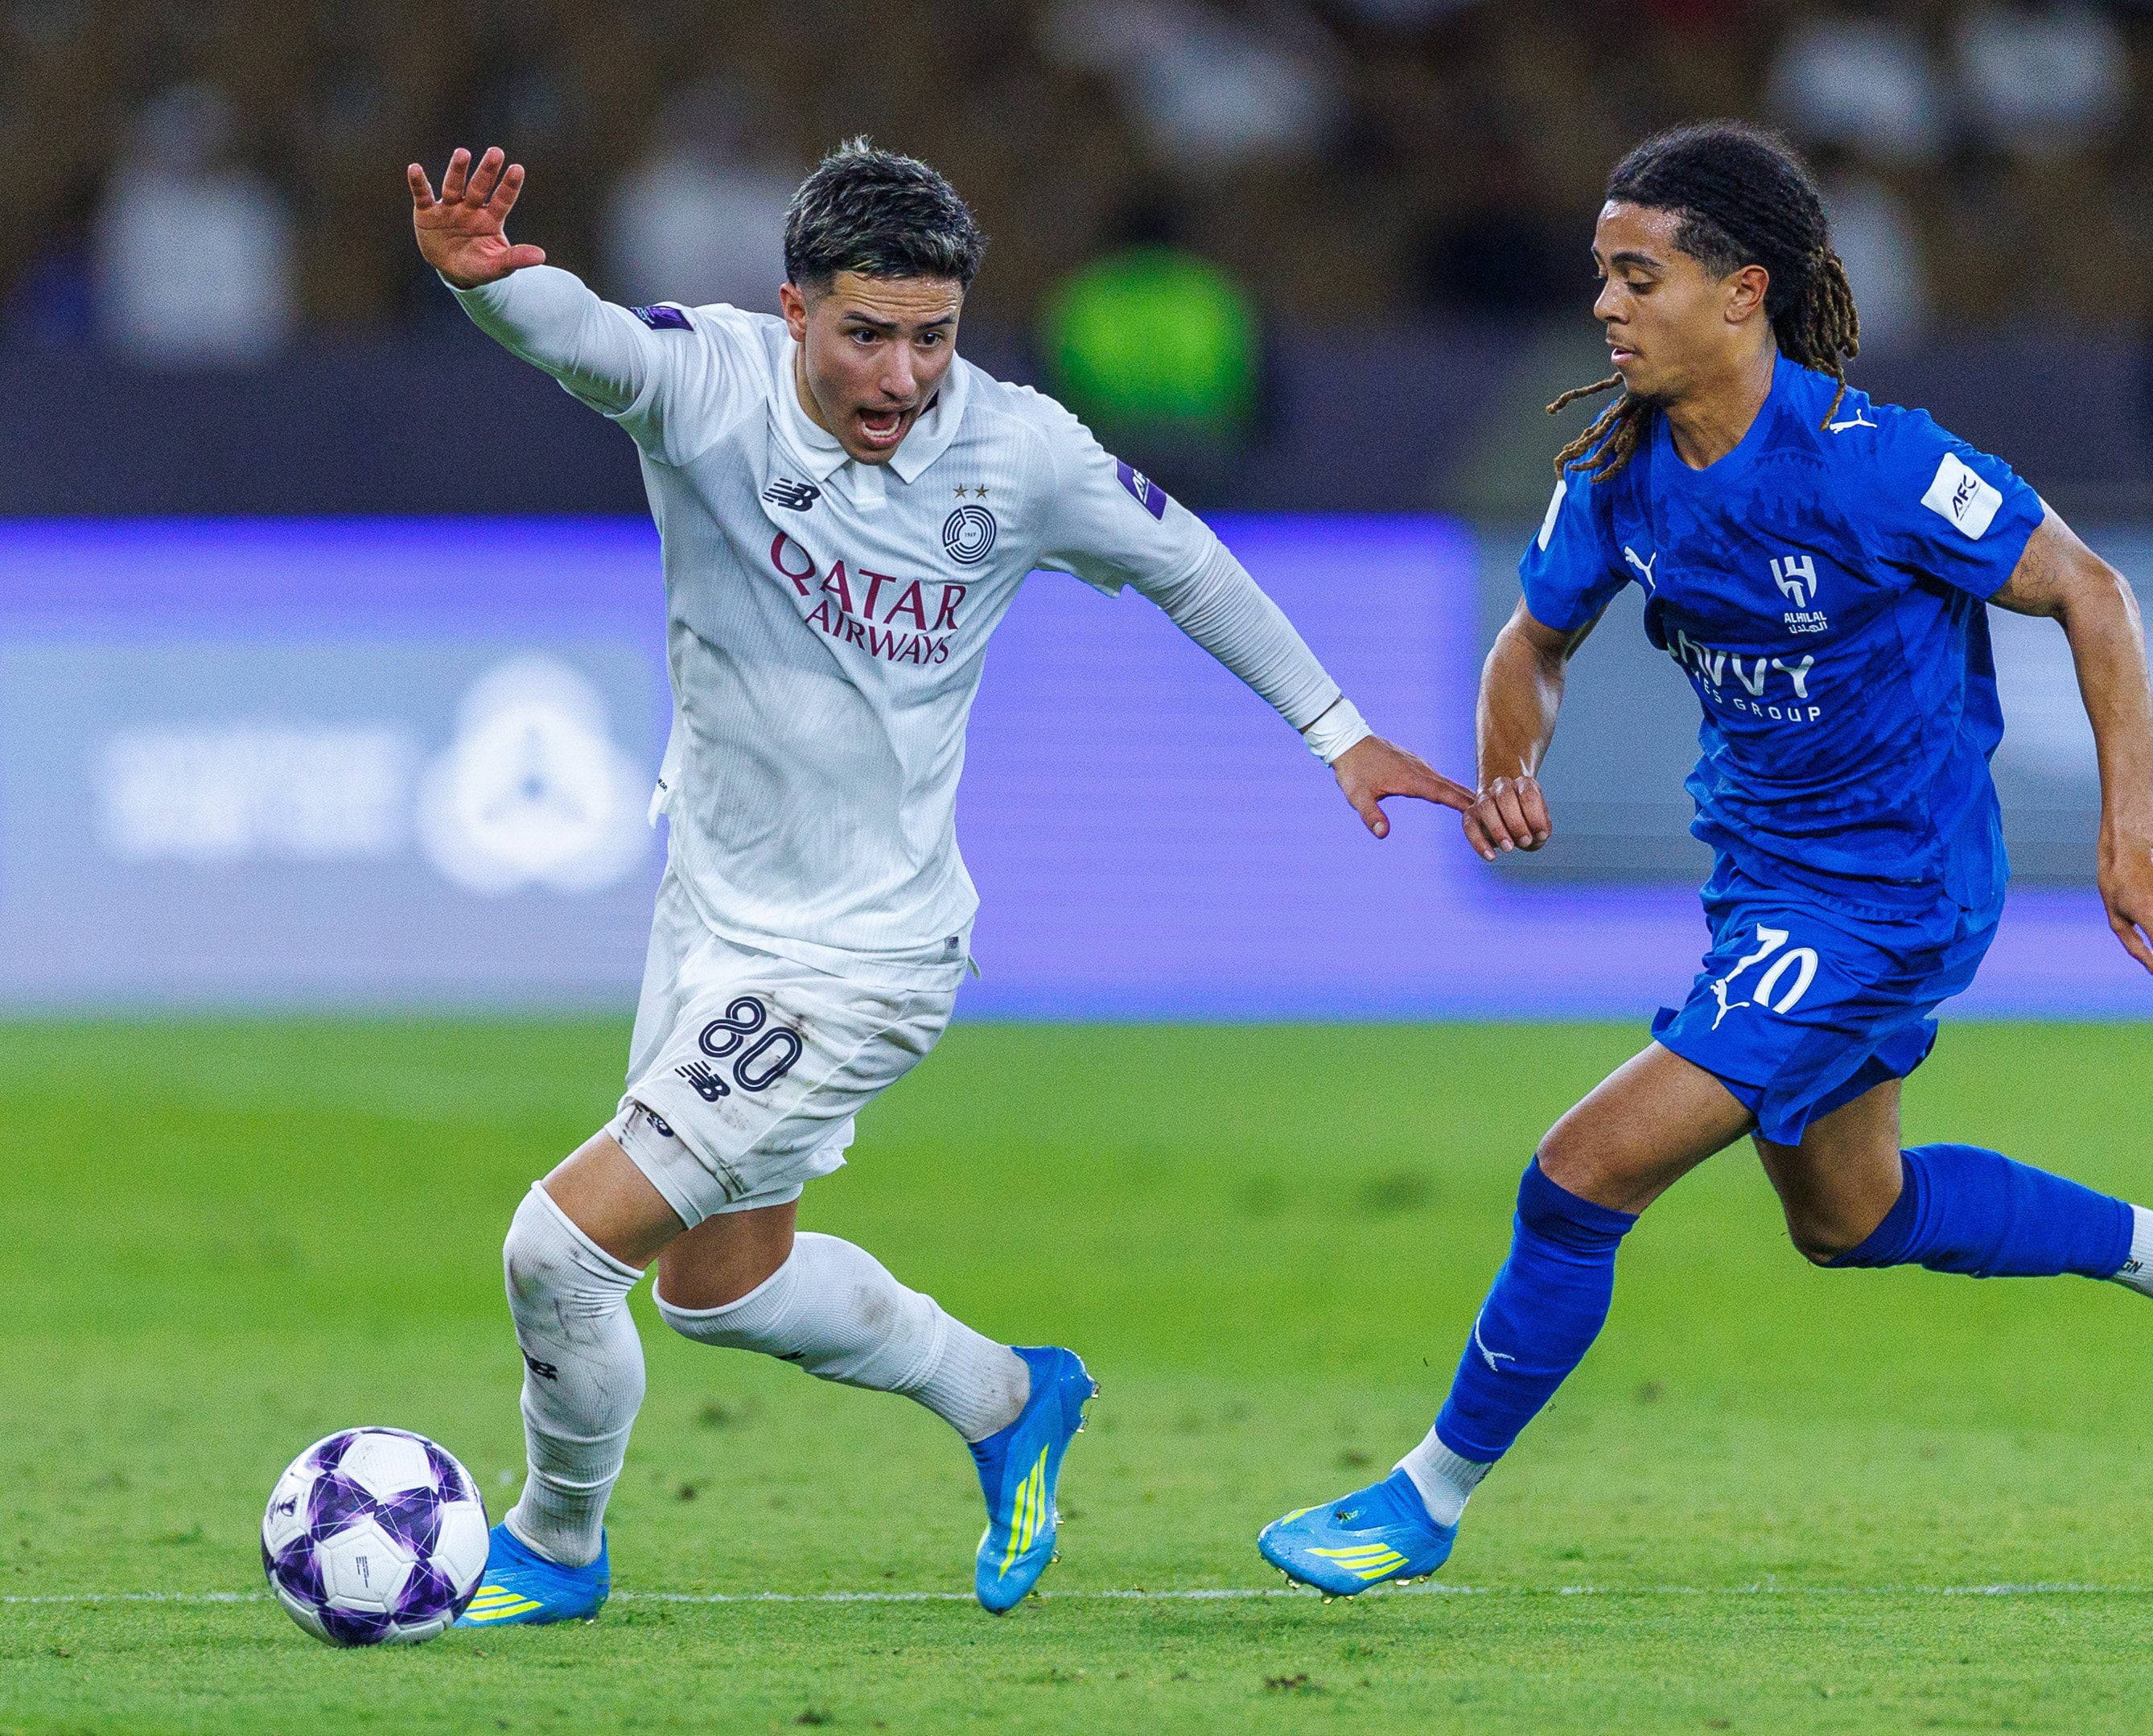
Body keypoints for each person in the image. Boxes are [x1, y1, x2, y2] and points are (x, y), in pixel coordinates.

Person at [405, 140, 1472, 1625]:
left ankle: (554, 1543)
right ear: (793, 309)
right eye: (866, 334)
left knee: (559, 1249)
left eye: (933, 337)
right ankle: (1006, 1396)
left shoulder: (1016, 450)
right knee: (719, 1287)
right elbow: (575, 328)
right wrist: (480, 285)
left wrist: (1337, 730)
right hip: (711, 916)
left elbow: (1187, 563)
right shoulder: (705, 383)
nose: (902, 377)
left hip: (859, 960)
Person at [1258, 121, 2153, 1597]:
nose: (1604, 305)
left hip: (1893, 895)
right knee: (1850, 1215)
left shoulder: (1879, 465)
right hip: (1765, 888)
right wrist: (1509, 757)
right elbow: (1530, 642)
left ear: (1743, 293)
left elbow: (2090, 592)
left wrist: (2131, 847)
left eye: (1638, 276)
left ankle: (1424, 1497)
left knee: (1579, 1174)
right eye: (1601, 274)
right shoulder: (1615, 475)